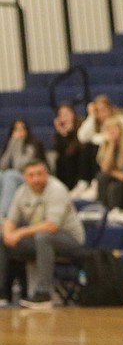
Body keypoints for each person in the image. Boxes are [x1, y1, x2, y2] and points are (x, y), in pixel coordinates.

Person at [0, 160, 85, 309]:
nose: (36, 179)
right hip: (38, 240)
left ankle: (44, 294)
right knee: (2, 239)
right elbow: (10, 220)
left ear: (47, 174)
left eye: (39, 174)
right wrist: (8, 234)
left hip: (70, 240)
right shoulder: (22, 191)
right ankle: (2, 292)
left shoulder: (57, 190)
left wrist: (18, 233)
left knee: (44, 237)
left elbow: (51, 226)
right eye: (31, 175)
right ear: (25, 177)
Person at [0, 119, 45, 216]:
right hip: (12, 177)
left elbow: (19, 165)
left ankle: (3, 214)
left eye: (21, 129)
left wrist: (17, 143)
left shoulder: (32, 146)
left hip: (30, 178)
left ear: (27, 131)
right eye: (16, 130)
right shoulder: (10, 144)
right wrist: (11, 145)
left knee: (10, 175)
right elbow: (2, 165)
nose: (19, 133)